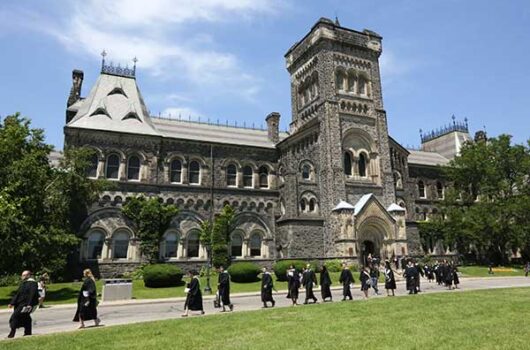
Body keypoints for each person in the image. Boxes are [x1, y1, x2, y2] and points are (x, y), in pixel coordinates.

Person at [7, 270, 39, 338]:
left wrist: (29, 304)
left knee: (14, 317)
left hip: (26, 304)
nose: (22, 276)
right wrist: (12, 303)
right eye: (22, 275)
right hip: (19, 303)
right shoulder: (23, 283)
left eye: (24, 275)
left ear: (28, 275)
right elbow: (18, 294)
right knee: (26, 317)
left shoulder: (33, 283)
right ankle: (28, 332)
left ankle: (12, 332)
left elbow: (32, 294)